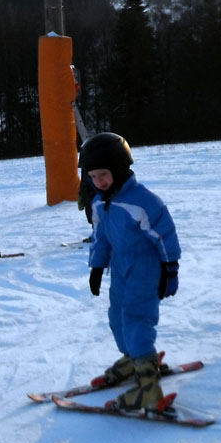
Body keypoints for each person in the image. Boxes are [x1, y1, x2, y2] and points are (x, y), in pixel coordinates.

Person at [81, 132, 181, 412]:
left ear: (120, 168)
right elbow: (101, 236)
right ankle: (132, 358)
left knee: (137, 319)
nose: (99, 181)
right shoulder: (100, 202)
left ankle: (149, 389)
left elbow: (165, 236)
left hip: (146, 269)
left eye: (103, 174)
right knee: (117, 317)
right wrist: (97, 266)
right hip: (120, 269)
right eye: (93, 177)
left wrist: (170, 269)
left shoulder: (143, 201)